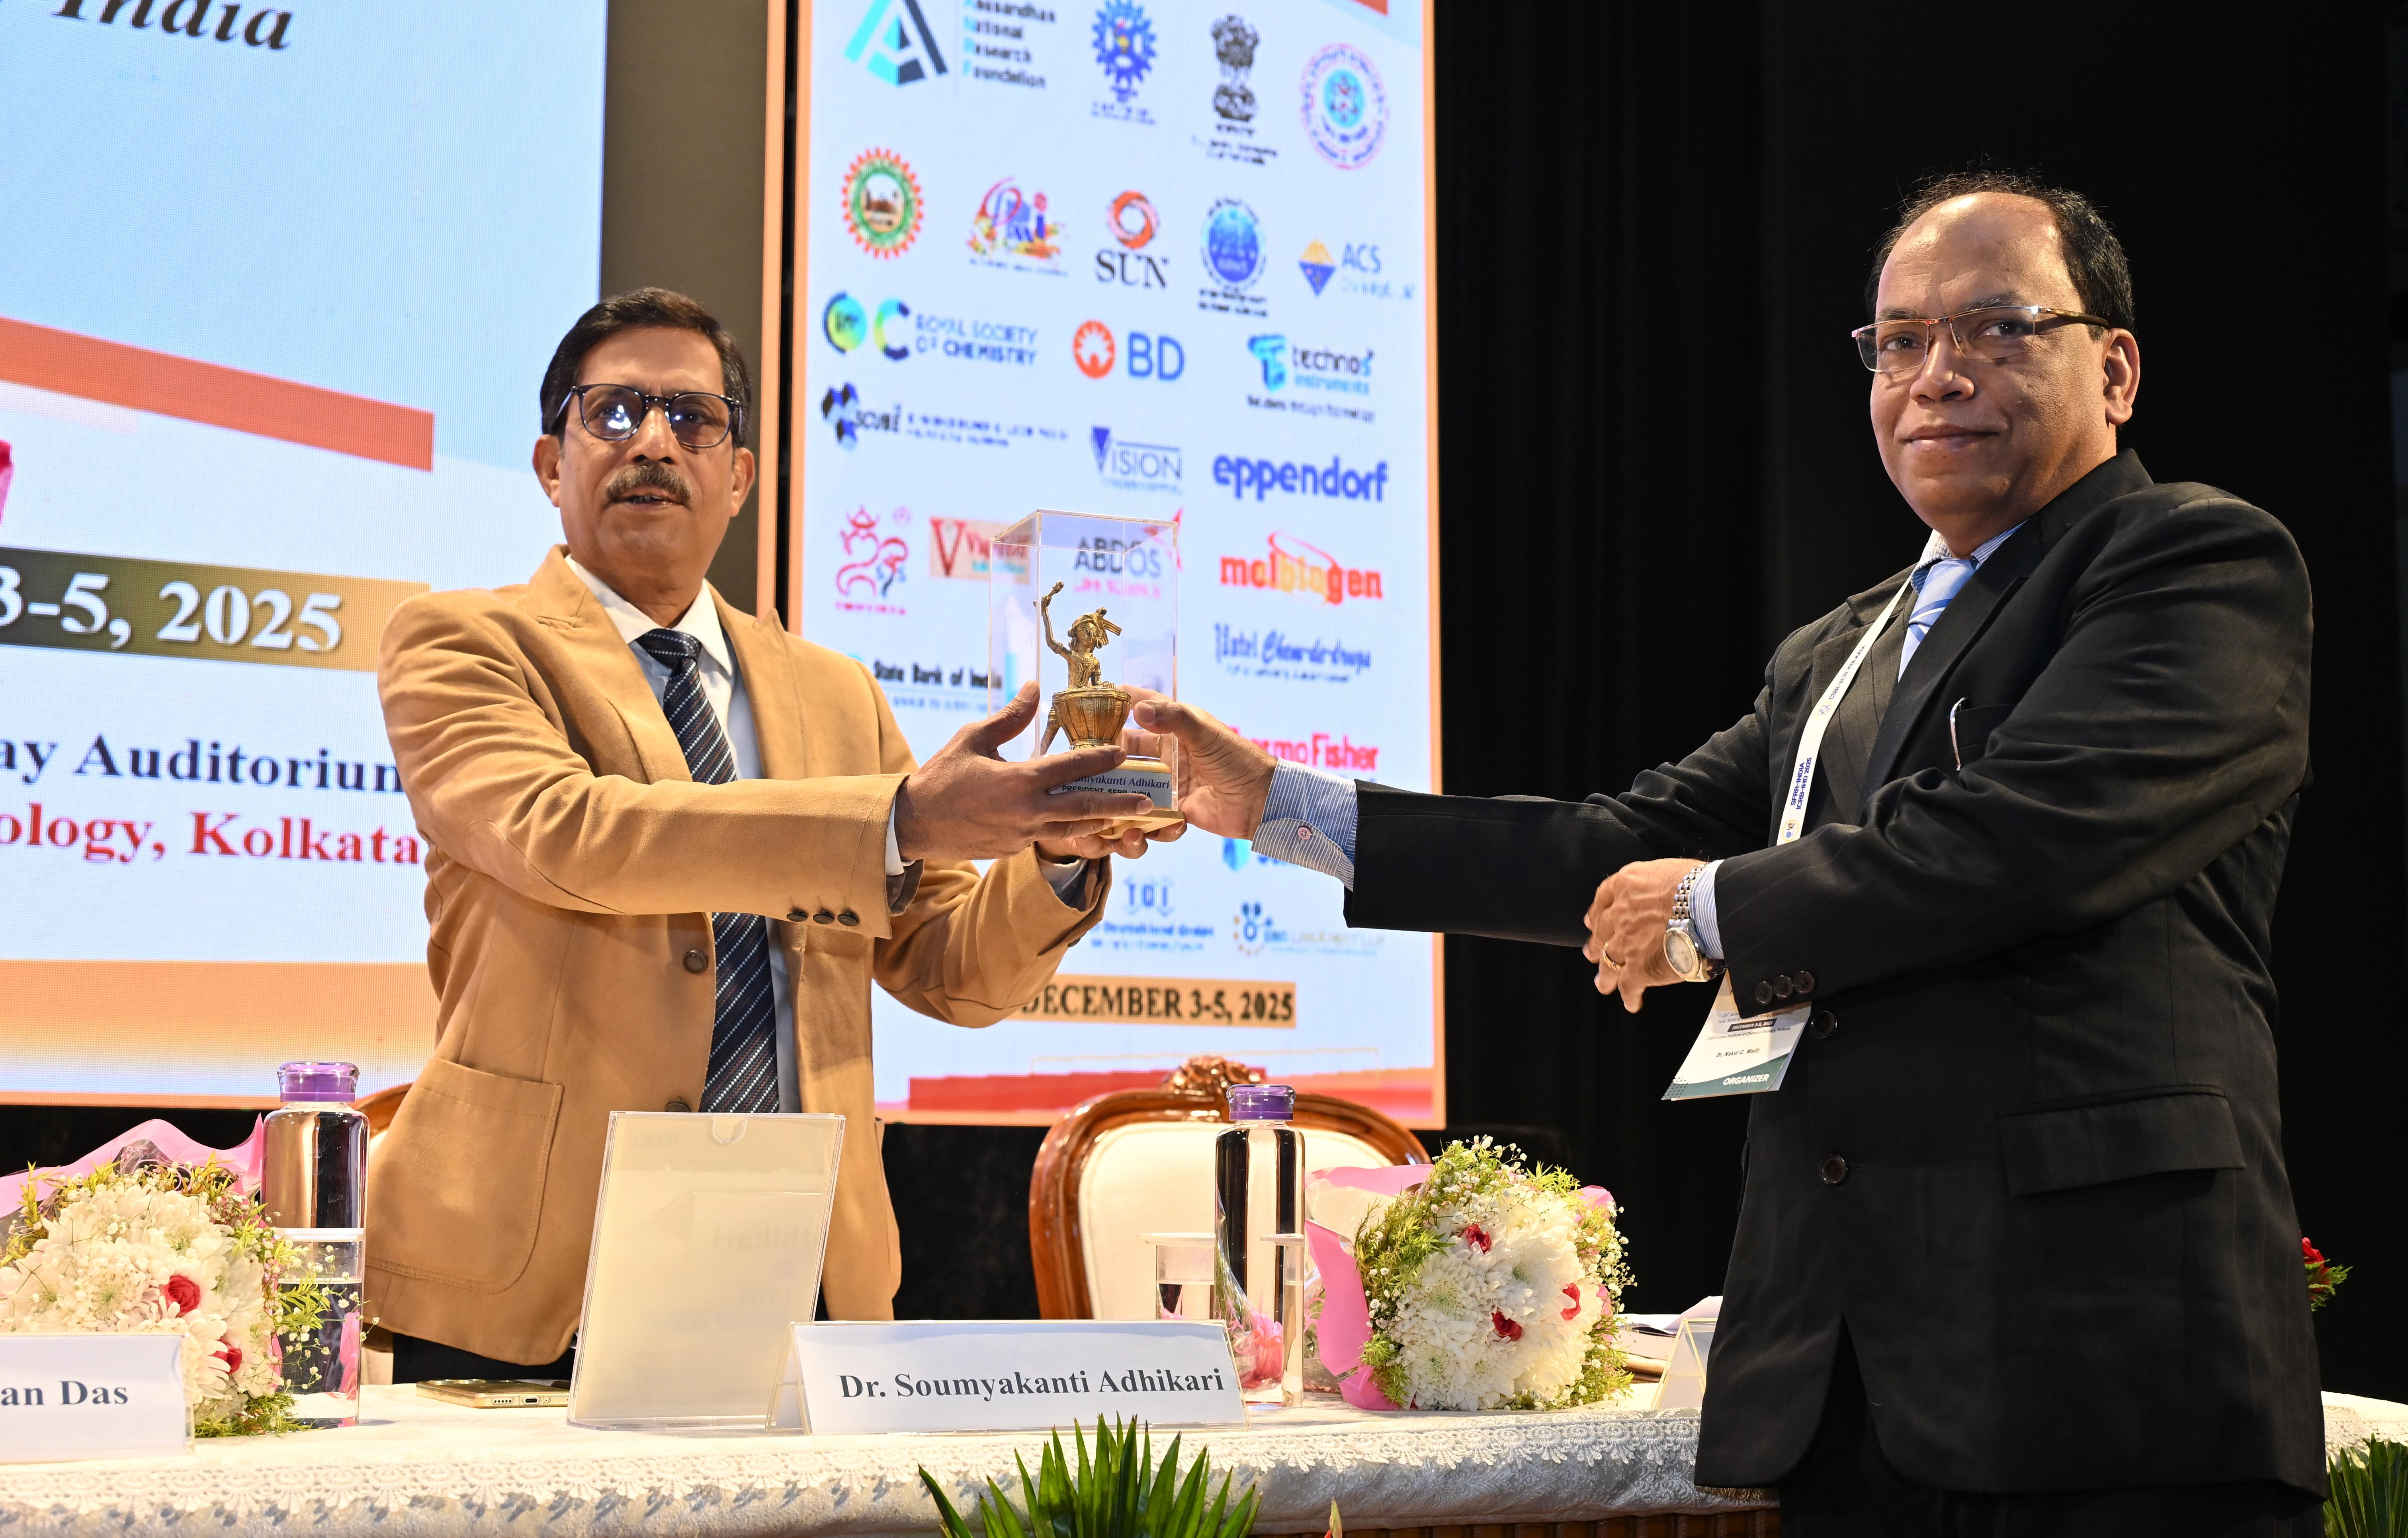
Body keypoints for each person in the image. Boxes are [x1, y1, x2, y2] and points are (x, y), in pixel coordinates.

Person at [1137, 175, 2324, 1533]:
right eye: (1900, 341)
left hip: (2107, 1363)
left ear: (2113, 370)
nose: (1938, 375)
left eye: (1997, 330)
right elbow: (1622, 847)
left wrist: (1704, 912)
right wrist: (1277, 807)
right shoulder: (1839, 649)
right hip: (1853, 1378)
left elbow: (2024, 839)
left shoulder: (2192, 561)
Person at [367, 288, 1164, 1381]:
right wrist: (898, 819)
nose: (653, 442)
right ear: (551, 464)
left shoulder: (834, 691)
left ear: (739, 478)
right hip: (540, 1273)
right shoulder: (463, 643)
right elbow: (573, 835)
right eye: (613, 413)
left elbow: (949, 968)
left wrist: (1057, 854)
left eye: (692, 418)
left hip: (807, 1272)